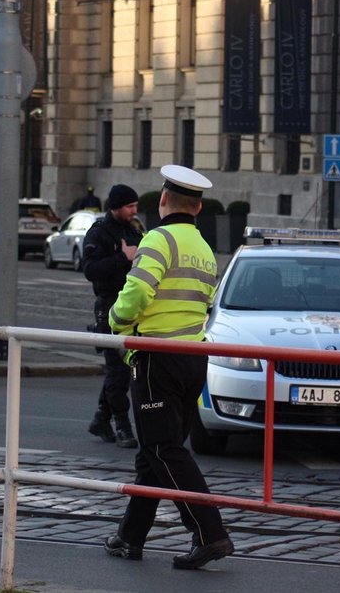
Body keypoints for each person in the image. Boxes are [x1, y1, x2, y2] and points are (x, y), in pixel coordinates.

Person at [103, 165, 232, 570]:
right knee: (152, 453)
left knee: (163, 449)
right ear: (197, 207)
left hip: (157, 357)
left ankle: (209, 533)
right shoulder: (204, 247)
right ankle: (130, 536)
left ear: (162, 201)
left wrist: (116, 322)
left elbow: (138, 290)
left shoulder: (158, 238)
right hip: (193, 357)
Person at [83, 184, 144, 449]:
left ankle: (100, 418)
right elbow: (90, 270)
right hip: (109, 305)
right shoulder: (99, 232)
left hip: (132, 306)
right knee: (118, 370)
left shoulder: (133, 230)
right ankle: (122, 425)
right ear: (116, 207)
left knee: (121, 369)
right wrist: (122, 258)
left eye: (135, 206)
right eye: (129, 207)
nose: (133, 211)